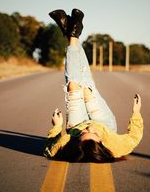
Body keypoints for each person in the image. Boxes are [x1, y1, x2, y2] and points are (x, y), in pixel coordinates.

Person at [44, 8, 143, 163]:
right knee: (86, 88)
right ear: (102, 143)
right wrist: (136, 112)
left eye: (84, 133)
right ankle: (73, 34)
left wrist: (57, 126)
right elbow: (134, 137)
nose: (88, 128)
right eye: (92, 133)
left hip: (76, 124)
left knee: (73, 86)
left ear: (78, 142)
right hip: (104, 123)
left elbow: (50, 149)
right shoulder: (116, 147)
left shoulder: (71, 143)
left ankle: (72, 33)